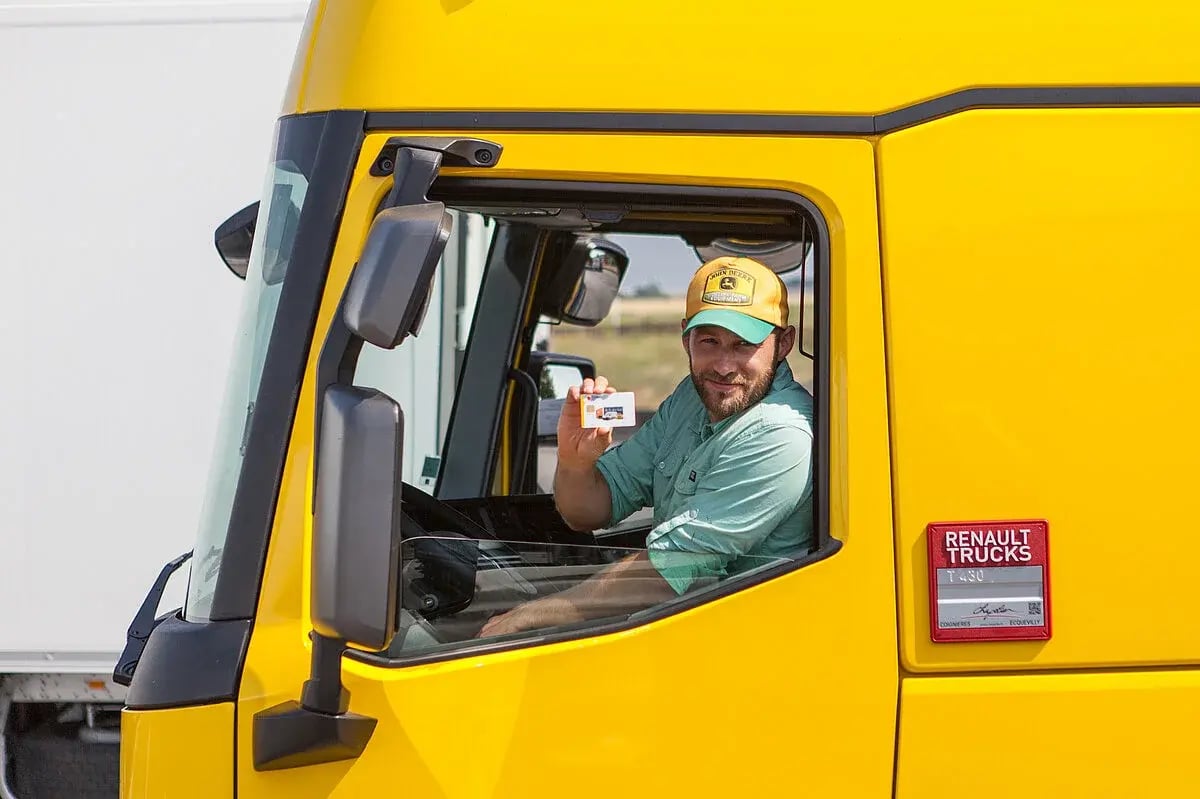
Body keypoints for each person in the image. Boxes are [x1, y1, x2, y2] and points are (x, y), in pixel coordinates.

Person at [479, 256, 815, 637]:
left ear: (783, 343)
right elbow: (588, 513)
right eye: (710, 341)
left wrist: (534, 613)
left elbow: (669, 569)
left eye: (743, 345)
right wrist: (576, 462)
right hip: (680, 633)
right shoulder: (692, 398)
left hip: (742, 651)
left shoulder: (780, 434)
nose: (723, 365)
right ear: (686, 335)